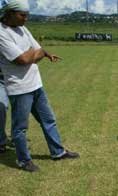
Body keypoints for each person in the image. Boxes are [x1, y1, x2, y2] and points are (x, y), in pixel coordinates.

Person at [0, 0, 79, 172]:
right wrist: (34, 54)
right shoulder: (2, 33)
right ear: (10, 14)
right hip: (20, 89)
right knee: (20, 128)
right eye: (23, 15)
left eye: (27, 15)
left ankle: (58, 152)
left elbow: (38, 49)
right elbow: (22, 60)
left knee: (48, 119)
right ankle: (23, 160)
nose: (26, 18)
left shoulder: (22, 28)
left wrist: (44, 53)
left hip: (36, 85)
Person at [0, 68, 9, 153]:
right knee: (1, 108)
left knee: (19, 109)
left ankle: (17, 138)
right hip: (1, 79)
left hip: (18, 77)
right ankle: (1, 142)